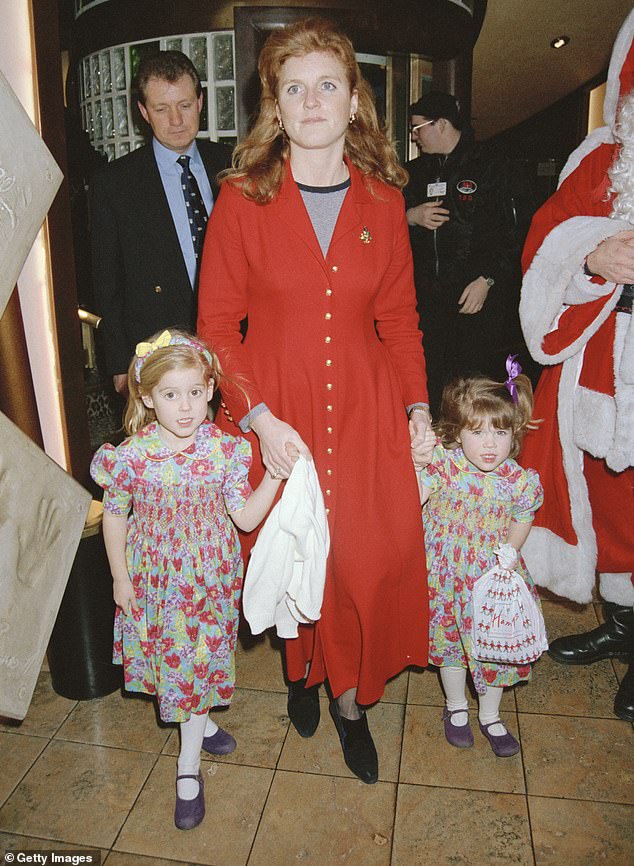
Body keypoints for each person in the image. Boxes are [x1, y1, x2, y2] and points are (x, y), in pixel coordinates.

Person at [197, 17, 431, 784]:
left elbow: (398, 319)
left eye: (327, 84)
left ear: (354, 100)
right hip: (277, 407)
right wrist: (258, 419)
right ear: (277, 106)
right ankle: (302, 671)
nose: (312, 100)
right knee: (292, 553)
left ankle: (351, 703)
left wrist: (418, 411)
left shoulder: (384, 202)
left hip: (364, 409)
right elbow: (215, 328)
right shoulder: (241, 199)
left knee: (365, 560)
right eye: (294, 88)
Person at [90, 329, 283, 830]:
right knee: (170, 671)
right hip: (154, 582)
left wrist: (277, 477)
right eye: (171, 395)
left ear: (211, 391)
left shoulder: (224, 451)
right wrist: (120, 575)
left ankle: (188, 767)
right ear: (148, 398)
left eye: (196, 392)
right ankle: (201, 720)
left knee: (194, 670)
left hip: (208, 582)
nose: (185, 407)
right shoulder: (130, 456)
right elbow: (114, 515)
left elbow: (242, 518)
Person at [519, 8, 634, 722]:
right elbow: (543, 244)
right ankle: (623, 625)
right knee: (612, 503)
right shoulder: (599, 162)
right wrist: (591, 257)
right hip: (601, 375)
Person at [412, 368, 544, 756]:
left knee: (493, 647)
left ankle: (490, 714)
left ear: (513, 435)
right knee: (450, 643)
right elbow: (414, 499)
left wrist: (511, 552)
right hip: (445, 573)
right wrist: (418, 469)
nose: (490, 444)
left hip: (493, 578)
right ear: (456, 432)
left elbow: (524, 515)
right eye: (478, 432)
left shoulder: (519, 481)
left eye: (500, 433)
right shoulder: (445, 464)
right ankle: (455, 707)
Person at [90, 50, 231, 393]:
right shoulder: (114, 184)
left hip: (232, 346)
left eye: (184, 105)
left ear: (200, 101)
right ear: (143, 112)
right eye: (161, 109)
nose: (176, 121)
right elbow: (106, 284)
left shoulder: (233, 163)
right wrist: (119, 364)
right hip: (158, 355)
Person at [404, 91, 533, 413]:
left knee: (473, 382)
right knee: (430, 378)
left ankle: (476, 447)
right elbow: (381, 223)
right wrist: (410, 216)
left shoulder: (491, 166)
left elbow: (515, 234)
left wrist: (487, 280)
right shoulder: (414, 172)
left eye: (418, 128)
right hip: (428, 299)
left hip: (474, 296)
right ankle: (434, 447)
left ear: (442, 124)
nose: (413, 136)